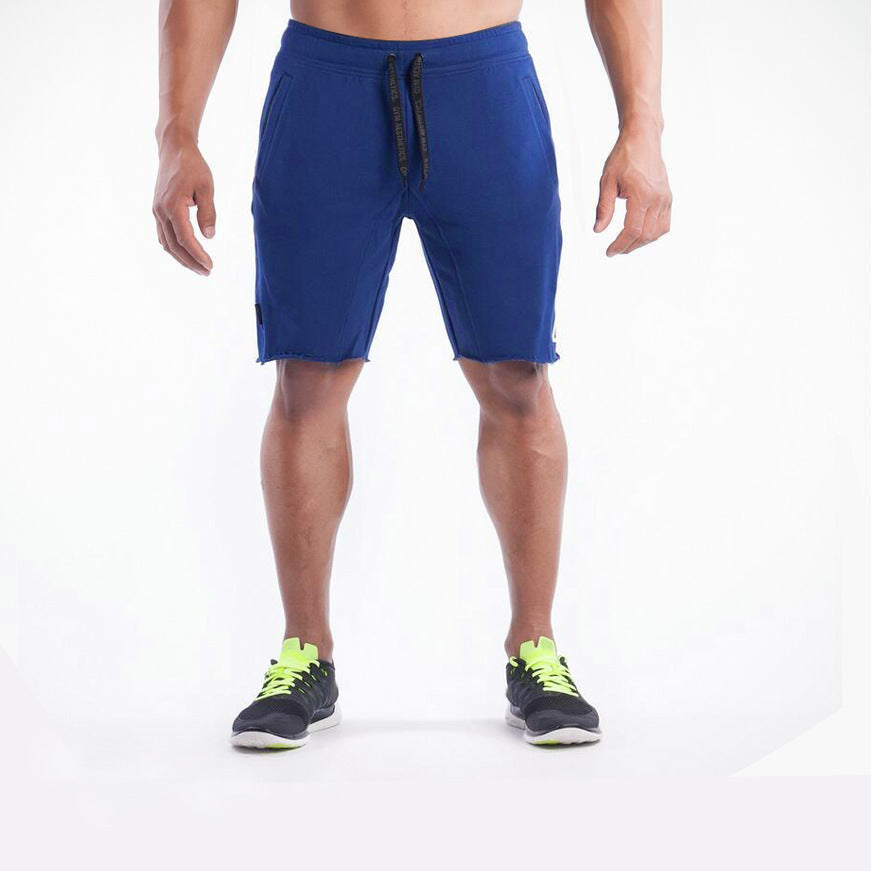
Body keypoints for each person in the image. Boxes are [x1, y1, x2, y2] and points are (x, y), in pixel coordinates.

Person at [153, 0, 671, 749]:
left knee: (517, 375)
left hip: (483, 86)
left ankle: (535, 650)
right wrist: (177, 137)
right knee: (307, 378)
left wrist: (643, 127)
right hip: (325, 84)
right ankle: (306, 654)